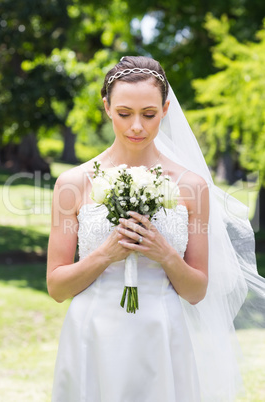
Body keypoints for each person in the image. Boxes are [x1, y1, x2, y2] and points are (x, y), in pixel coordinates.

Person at [47, 56, 265, 402]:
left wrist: (164, 253)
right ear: (106, 108)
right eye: (124, 113)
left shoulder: (192, 187)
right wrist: (106, 254)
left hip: (162, 333)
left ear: (165, 109)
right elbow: (57, 287)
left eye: (149, 114)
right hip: (92, 332)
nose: (137, 126)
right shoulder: (72, 183)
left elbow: (196, 291)